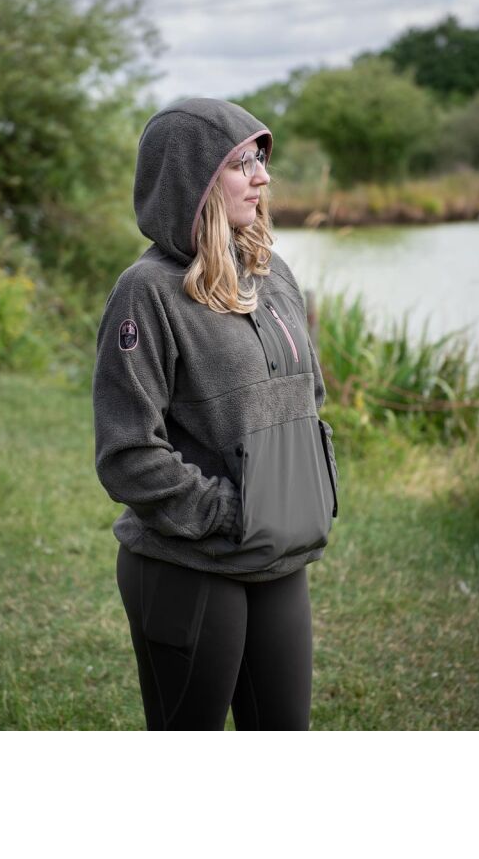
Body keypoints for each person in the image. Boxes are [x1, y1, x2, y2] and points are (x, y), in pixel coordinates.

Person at [92, 97, 339, 731]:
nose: (263, 177)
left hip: (279, 559)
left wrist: (305, 488)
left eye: (261, 159)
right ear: (193, 178)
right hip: (189, 567)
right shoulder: (145, 292)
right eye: (240, 163)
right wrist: (236, 512)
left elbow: (307, 401)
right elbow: (127, 453)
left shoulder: (273, 275)